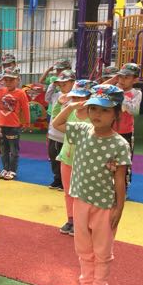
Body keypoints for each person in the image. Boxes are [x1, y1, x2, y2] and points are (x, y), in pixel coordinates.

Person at [52, 84, 132, 285]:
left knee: (102, 251)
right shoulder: (82, 130)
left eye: (105, 110)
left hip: (105, 205)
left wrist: (119, 208)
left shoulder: (119, 144)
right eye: (93, 108)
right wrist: (72, 106)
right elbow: (57, 124)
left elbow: (120, 179)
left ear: (116, 113)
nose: (97, 114)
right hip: (81, 200)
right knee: (83, 248)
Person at [56, 79, 96, 235]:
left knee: (83, 193)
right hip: (67, 158)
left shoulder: (94, 117)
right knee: (68, 192)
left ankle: (83, 221)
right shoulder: (71, 112)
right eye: (74, 97)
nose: (77, 100)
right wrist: (67, 106)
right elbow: (56, 123)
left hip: (85, 162)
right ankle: (71, 219)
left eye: (81, 97)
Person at [0, 66, 30, 180]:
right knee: (3, 150)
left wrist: (27, 122)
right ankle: (5, 169)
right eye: (6, 80)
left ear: (18, 80)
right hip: (0, 126)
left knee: (14, 150)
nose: (8, 82)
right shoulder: (0, 91)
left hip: (14, 127)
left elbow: (25, 108)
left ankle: (12, 170)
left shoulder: (21, 93)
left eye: (11, 80)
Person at [104, 62, 141, 187]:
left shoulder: (136, 93)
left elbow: (133, 110)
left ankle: (123, 188)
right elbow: (97, 89)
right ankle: (107, 186)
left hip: (126, 133)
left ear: (135, 80)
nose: (122, 80)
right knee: (107, 159)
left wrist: (121, 95)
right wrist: (113, 80)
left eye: (127, 77)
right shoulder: (112, 90)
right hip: (109, 131)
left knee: (124, 162)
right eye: (120, 76)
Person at [45, 68, 75, 189]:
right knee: (53, 158)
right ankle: (57, 179)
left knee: (65, 160)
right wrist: (53, 84)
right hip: (53, 134)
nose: (62, 87)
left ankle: (65, 181)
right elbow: (47, 97)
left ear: (73, 83)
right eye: (60, 84)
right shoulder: (56, 96)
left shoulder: (75, 98)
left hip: (65, 135)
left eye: (65, 84)